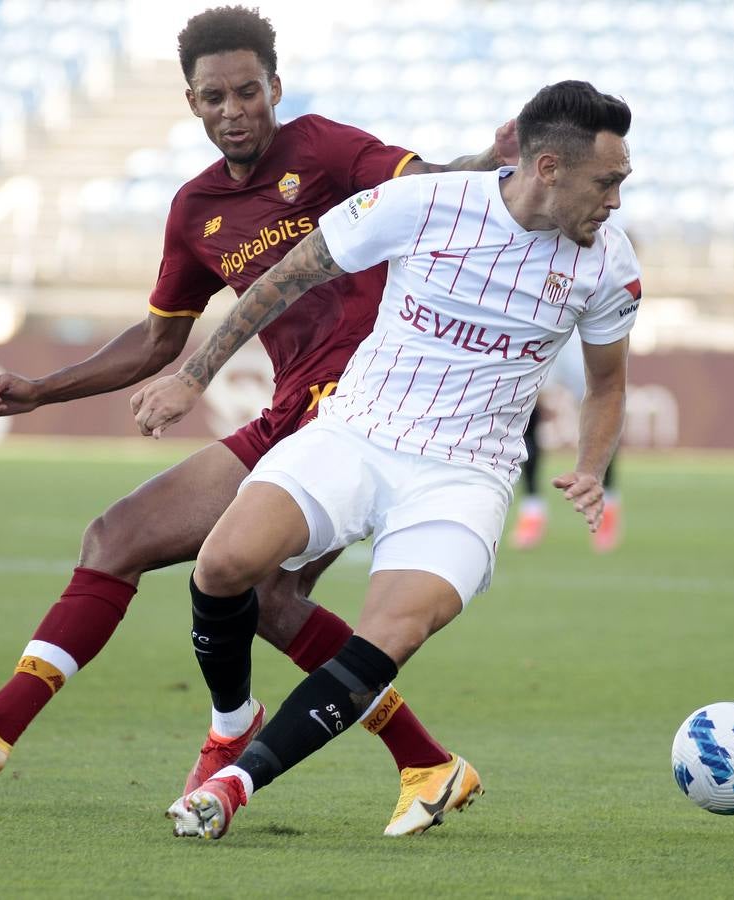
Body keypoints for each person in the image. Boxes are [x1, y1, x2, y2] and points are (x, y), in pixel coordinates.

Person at [0, 5, 517, 836]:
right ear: (192, 103)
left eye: (247, 92)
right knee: (128, 542)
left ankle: (286, 740)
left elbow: (428, 184)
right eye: (213, 97)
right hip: (291, 414)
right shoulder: (195, 210)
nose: (233, 111)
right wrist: (43, 390)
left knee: (264, 593)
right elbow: (156, 339)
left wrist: (489, 162)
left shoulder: (322, 148)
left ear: (275, 88)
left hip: (364, 415)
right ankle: (420, 761)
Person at [129, 79, 641, 840]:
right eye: (607, 182)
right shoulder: (423, 205)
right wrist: (193, 377)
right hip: (357, 433)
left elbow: (607, 385)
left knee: (387, 636)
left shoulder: (608, 266)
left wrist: (593, 469)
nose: (617, 202)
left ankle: (234, 786)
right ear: (547, 169)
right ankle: (232, 723)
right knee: (222, 566)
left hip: (467, 478)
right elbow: (287, 276)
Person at [509, 337, 623, 551]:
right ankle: (532, 511)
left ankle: (608, 506)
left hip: (579, 329)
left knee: (603, 402)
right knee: (527, 410)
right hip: (544, 324)